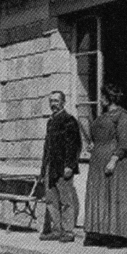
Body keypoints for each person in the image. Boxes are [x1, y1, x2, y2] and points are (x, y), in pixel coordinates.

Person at [84, 83, 127, 248]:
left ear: (109, 97)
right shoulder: (103, 116)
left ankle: (119, 235)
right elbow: (97, 135)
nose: (100, 100)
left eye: (102, 96)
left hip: (115, 162)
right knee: (99, 195)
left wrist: (114, 160)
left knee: (115, 196)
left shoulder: (123, 116)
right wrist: (93, 143)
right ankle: (100, 232)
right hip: (97, 160)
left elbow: (125, 141)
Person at [39, 90, 82, 243]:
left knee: (66, 201)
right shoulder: (50, 121)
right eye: (51, 101)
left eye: (56, 101)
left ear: (63, 102)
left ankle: (68, 232)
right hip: (51, 168)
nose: (53, 104)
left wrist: (70, 165)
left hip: (63, 168)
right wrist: (43, 169)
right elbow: (47, 147)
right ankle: (56, 230)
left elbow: (75, 145)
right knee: (51, 200)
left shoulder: (69, 120)